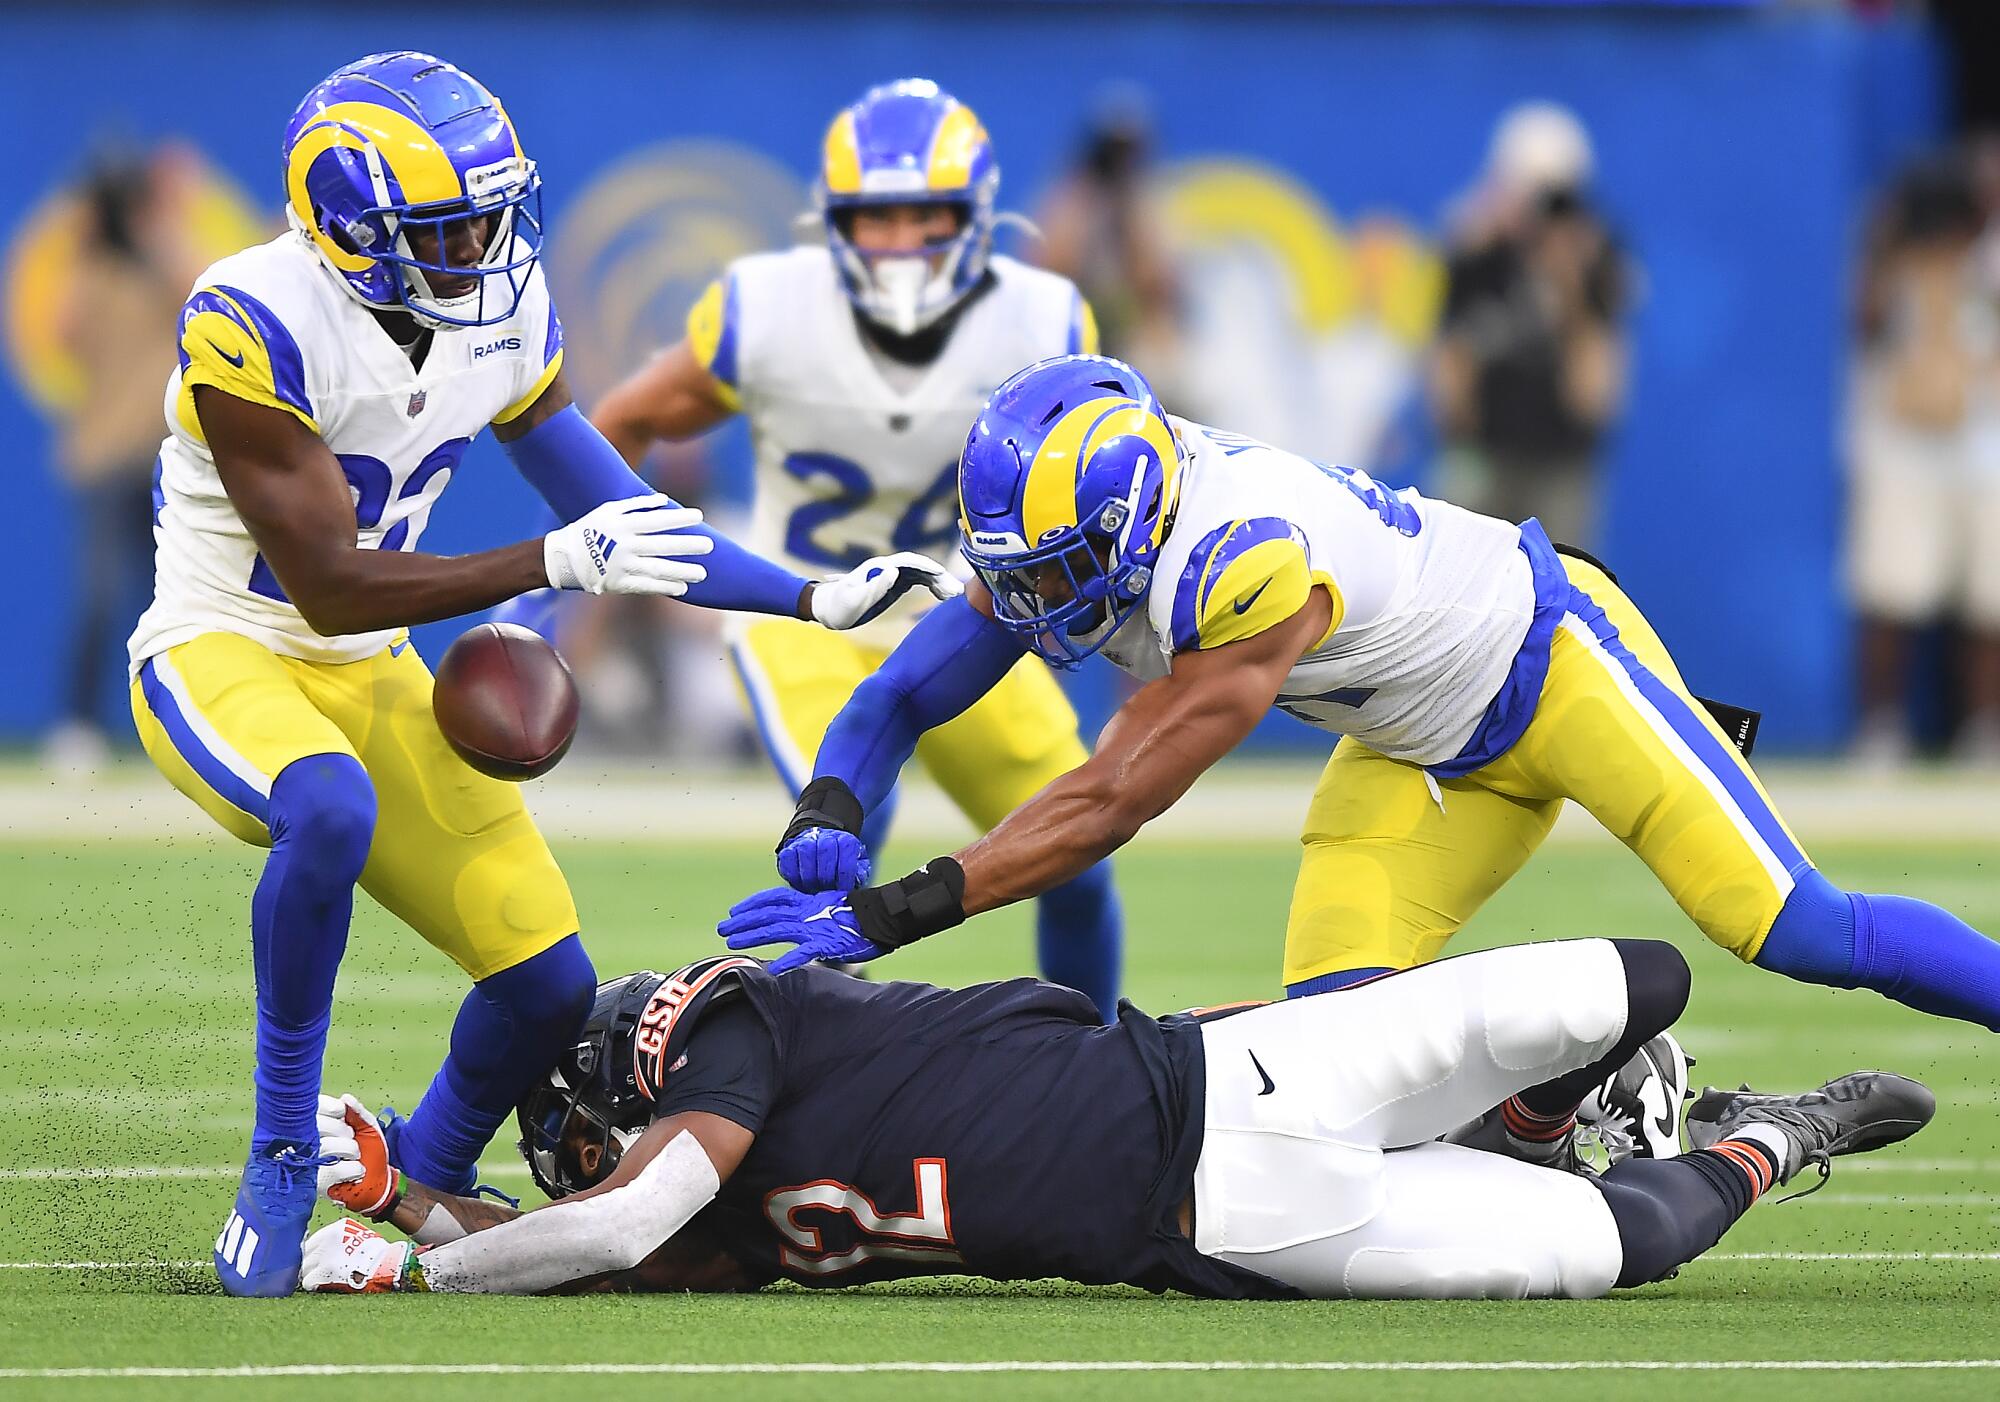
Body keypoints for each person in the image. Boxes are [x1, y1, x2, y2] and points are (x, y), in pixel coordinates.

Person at [126, 51, 956, 1297]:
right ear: (353, 229)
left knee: (547, 986)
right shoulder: (252, 318)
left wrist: (807, 595)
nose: (486, 249)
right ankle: (283, 1143)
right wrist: (550, 559)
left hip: (365, 668)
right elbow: (325, 581)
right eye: (449, 228)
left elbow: (621, 509)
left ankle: (415, 1173)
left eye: (492, 216)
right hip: (220, 646)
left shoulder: (495, 312)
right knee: (329, 805)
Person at [717, 354, 2000, 1049]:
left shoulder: (1246, 564)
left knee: (1799, 930)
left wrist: (898, 908)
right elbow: (897, 691)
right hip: (1412, 748)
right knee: (1338, 1054)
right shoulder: (1100, 524)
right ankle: (1583, 1105)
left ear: (1124, 529)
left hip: (1550, 664)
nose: (1030, 602)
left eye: (1052, 573)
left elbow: (1110, 798)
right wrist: (828, 803)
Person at [298, 941, 1933, 1297]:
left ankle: (1534, 1109)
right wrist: (410, 1206)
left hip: (1232, 1080)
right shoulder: (701, 1221)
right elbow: (604, 1231)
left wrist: (410, 1256)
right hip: (1211, 1229)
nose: (594, 1168)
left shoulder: (724, 1024)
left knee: (1607, 988)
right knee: (1610, 1248)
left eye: (589, 1133)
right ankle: (1767, 1137)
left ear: (627, 1067)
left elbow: (621, 1210)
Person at [587, 79, 1122, 1016]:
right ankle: (822, 1090)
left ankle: (1103, 1067)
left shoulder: (1042, 319)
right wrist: (604, 568)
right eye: (880, 218)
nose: (905, 243)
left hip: (974, 621)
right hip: (812, 614)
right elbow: (623, 421)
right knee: (839, 836)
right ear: (834, 221)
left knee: (1075, 861)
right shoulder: (767, 310)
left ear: (977, 218)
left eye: (929, 214)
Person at [45, 146, 202, 767]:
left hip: (167, 457)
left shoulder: (165, 271)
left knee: (180, 597)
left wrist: (160, 220)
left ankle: (176, 726)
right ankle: (78, 726)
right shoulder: (94, 275)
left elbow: (200, 291)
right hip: (106, 460)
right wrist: (87, 234)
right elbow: (60, 331)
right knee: (101, 594)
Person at [1847, 150, 2000, 765]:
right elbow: (1866, 322)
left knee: (1989, 596)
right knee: (1892, 590)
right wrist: (1889, 241)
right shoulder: (1897, 258)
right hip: (1904, 444)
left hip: (1984, 446)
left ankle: (1984, 730)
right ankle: (1881, 731)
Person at [1430, 102, 1630, 549]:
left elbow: (1597, 386)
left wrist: (1572, 281)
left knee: (1560, 583)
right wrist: (1457, 440)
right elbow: (1450, 354)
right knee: (1457, 572)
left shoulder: (1594, 260)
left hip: (1558, 457)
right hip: (1484, 448)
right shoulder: (1478, 255)